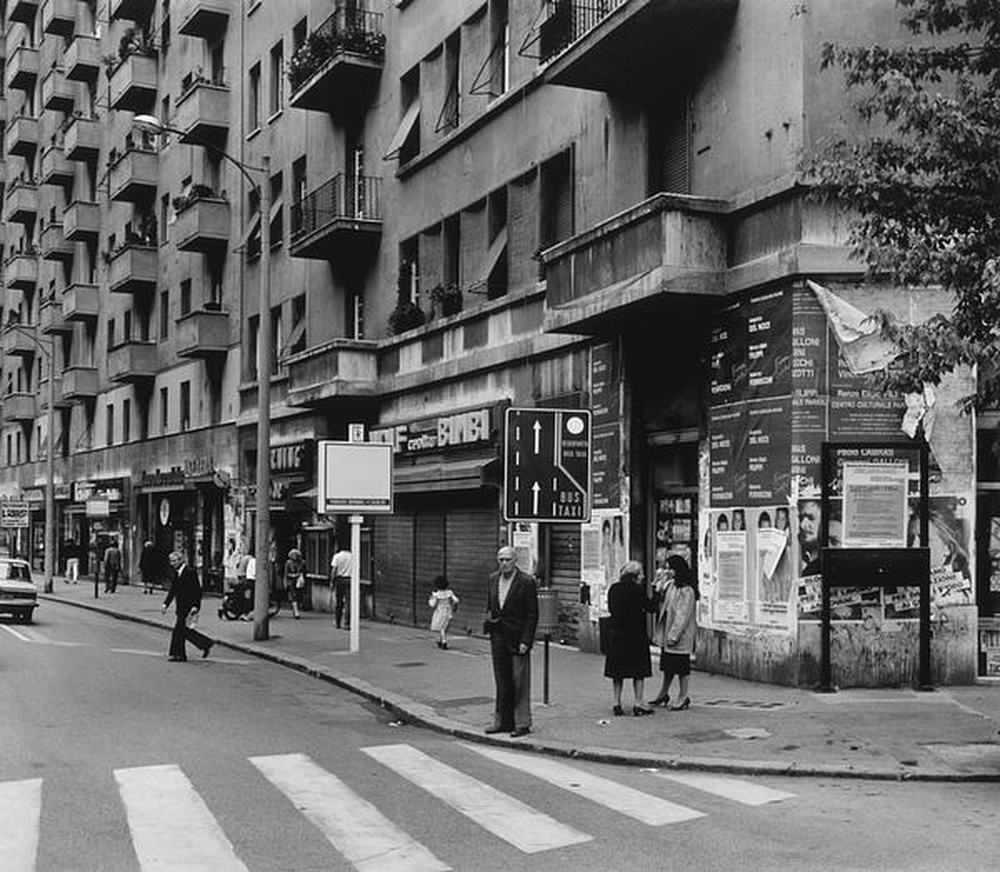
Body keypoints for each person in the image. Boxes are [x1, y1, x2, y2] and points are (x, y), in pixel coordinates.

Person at [483, 545, 538, 737]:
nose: (503, 563)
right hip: (498, 635)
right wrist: (488, 623)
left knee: (519, 681)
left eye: (507, 560)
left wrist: (526, 640)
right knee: (502, 681)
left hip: (517, 637)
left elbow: (532, 614)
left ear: (515, 561)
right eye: (500, 560)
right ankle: (502, 721)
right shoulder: (492, 579)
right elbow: (490, 606)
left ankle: (522, 723)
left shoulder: (526, 581)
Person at [603, 560, 655, 717]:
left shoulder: (613, 589)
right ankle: (638, 703)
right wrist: (657, 592)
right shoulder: (637, 590)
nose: (643, 577)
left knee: (617, 672)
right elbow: (650, 608)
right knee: (638, 671)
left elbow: (611, 609)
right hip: (635, 634)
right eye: (641, 574)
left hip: (616, 634)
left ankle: (616, 703)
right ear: (635, 576)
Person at [650, 554, 699, 710]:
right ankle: (663, 693)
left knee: (681, 668)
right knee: (668, 667)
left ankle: (683, 696)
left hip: (678, 636)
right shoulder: (671, 586)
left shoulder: (687, 590)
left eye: (670, 567)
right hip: (667, 634)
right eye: (667, 567)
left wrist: (673, 635)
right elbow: (660, 598)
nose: (668, 570)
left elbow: (682, 615)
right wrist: (659, 581)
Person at [161, 550, 214, 661]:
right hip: (180, 606)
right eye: (171, 561)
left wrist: (196, 606)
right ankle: (205, 644)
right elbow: (173, 590)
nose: (172, 563)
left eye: (174, 561)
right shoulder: (177, 573)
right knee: (183, 631)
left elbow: (197, 591)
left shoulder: (190, 572)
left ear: (181, 560)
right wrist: (166, 604)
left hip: (189, 607)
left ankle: (179, 655)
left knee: (178, 632)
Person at [428, 574, 460, 649]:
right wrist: (455, 608)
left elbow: (432, 604)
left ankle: (443, 641)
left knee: (440, 627)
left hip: (439, 612)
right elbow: (456, 600)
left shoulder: (436, 594)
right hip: (448, 611)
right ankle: (441, 640)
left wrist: (431, 599)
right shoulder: (449, 592)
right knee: (444, 627)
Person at [329, 541, 353, 629]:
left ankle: (337, 622)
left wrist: (332, 582)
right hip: (350, 579)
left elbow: (334, 570)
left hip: (340, 580)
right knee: (349, 602)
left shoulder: (337, 556)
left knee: (339, 601)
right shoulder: (352, 556)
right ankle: (347, 623)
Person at [284, 548, 305, 619]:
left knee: (298, 596)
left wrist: (300, 575)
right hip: (291, 582)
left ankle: (296, 609)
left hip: (299, 582)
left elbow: (304, 572)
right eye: (293, 555)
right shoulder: (288, 563)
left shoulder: (302, 562)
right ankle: (296, 612)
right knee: (293, 596)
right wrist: (287, 581)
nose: (294, 556)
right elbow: (286, 573)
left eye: (296, 555)